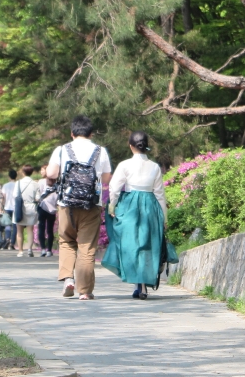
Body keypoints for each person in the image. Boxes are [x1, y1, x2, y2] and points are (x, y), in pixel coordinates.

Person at [46, 116, 112, 300]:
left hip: (66, 204)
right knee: (87, 247)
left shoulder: (62, 150)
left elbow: (51, 173)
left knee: (66, 241)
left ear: (72, 133)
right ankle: (85, 291)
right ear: (91, 134)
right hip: (91, 205)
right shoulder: (101, 151)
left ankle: (68, 279)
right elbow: (106, 179)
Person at [103, 131, 167, 300]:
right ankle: (142, 284)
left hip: (130, 205)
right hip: (150, 205)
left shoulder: (125, 165)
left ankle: (139, 284)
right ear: (146, 146)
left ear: (131, 146)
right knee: (147, 244)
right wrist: (164, 218)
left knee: (131, 243)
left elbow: (114, 188)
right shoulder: (154, 167)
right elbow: (160, 194)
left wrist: (112, 206)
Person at [14, 165, 38, 258]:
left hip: (20, 207)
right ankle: (29, 250)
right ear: (31, 172)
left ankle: (20, 251)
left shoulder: (18, 183)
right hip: (31, 207)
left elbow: (15, 195)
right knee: (30, 230)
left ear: (23, 172)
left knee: (19, 231)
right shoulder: (35, 184)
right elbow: (38, 198)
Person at [37, 164, 57, 257]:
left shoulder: (41, 182)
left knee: (41, 228)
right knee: (50, 230)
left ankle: (43, 249)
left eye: (42, 170)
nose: (41, 172)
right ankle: (49, 250)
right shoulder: (57, 182)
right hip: (53, 209)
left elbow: (38, 195)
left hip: (42, 207)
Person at [1, 170, 17, 250]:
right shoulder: (17, 185)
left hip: (7, 207)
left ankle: (7, 239)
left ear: (9, 176)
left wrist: (2, 206)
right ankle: (12, 243)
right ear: (16, 176)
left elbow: (4, 197)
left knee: (7, 225)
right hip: (15, 208)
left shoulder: (5, 185)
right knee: (15, 226)